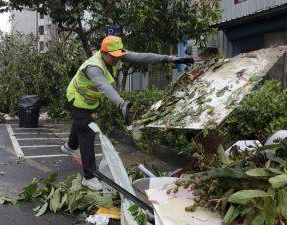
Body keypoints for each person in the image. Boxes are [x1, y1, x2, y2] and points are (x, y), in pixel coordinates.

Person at [61, 35, 194, 190]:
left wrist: (170, 59)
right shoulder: (93, 67)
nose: (116, 60)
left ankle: (70, 146)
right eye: (113, 57)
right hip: (76, 98)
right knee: (87, 131)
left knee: (81, 125)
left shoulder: (115, 55)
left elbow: (141, 57)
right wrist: (121, 103)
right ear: (103, 53)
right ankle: (89, 177)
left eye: (119, 56)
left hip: (89, 100)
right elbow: (104, 86)